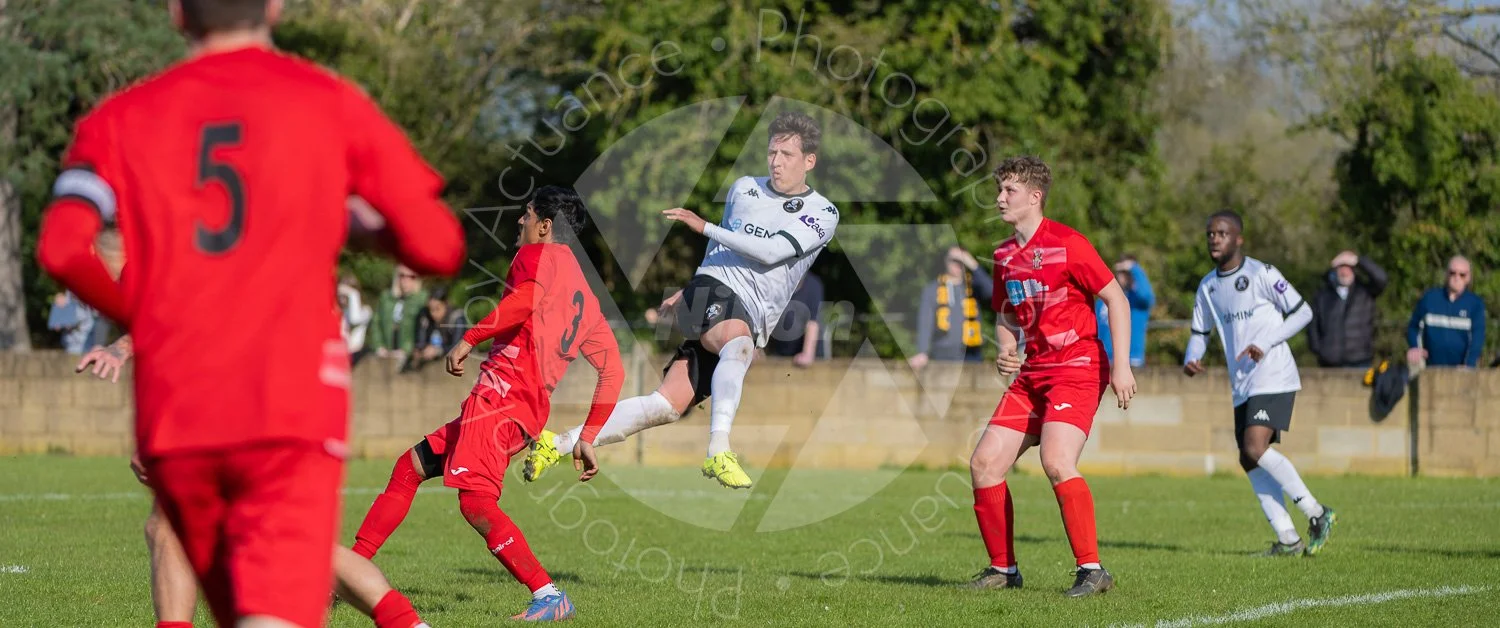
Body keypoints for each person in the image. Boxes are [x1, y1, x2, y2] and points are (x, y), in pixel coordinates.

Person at [35, 0, 466, 624]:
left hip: (180, 411)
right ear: (275, 7)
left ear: (177, 13)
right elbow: (438, 243)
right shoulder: (327, 100)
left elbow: (60, 247)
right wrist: (352, 222)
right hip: (291, 404)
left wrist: (144, 323)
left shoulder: (120, 117)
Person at [522, 111, 840, 490]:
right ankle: (719, 450)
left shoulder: (822, 212)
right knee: (738, 346)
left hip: (746, 312)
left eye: (787, 155)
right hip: (717, 291)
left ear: (809, 161)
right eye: (772, 152)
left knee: (664, 406)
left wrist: (704, 227)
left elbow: (771, 252)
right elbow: (720, 247)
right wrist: (695, 284)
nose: (776, 162)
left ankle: (556, 444)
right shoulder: (744, 188)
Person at [350, 186, 622, 622]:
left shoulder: (537, 254)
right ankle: (352, 574)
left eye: (526, 214)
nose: (520, 221)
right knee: (409, 468)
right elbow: (614, 372)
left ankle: (548, 593)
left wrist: (469, 336)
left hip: (500, 399)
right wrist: (588, 436)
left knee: (475, 502)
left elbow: (525, 300)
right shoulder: (584, 296)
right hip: (524, 408)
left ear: (545, 226)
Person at [965, 156, 1135, 598]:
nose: (1000, 198)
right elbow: (1005, 313)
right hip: (1033, 372)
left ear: (1035, 197)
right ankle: (1003, 570)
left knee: (1057, 461)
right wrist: (1006, 347)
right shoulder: (1004, 255)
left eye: (1009, 191)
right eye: (1000, 190)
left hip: (1077, 366)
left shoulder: (1069, 244)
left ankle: (1093, 571)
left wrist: (1121, 366)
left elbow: (1116, 299)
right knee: (984, 465)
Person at [1182, 211, 1336, 557]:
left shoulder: (1262, 273)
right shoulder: (1207, 287)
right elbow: (1199, 331)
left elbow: (1303, 312)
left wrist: (1265, 343)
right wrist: (1192, 356)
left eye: (1222, 233)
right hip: (1242, 382)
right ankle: (1287, 539)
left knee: (1254, 446)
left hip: (1274, 373)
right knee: (1248, 458)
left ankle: (1316, 512)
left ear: (1239, 239)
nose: (1214, 239)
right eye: (1210, 234)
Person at [910, 247, 993, 369]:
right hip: (942, 354)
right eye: (954, 260)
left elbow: (992, 292)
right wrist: (922, 352)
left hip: (971, 354)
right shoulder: (932, 289)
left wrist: (973, 264)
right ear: (945, 261)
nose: (958, 264)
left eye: (961, 261)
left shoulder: (974, 286)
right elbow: (925, 322)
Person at [1308, 250, 1388, 368]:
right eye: (1341, 267)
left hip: (1360, 359)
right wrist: (1319, 350)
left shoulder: (1364, 292)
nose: (1344, 271)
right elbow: (1313, 325)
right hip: (1330, 362)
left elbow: (1382, 279)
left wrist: (1358, 261)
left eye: (1348, 267)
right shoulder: (1322, 295)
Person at [1407, 256, 1485, 368]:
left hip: (1460, 368)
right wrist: (1415, 347)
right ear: (1446, 274)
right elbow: (1413, 327)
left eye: (1462, 275)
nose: (1456, 277)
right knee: (1412, 359)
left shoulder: (1475, 304)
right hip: (1429, 366)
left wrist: (1469, 364)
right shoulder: (1429, 298)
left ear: (1468, 278)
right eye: (1452, 273)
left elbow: (1477, 338)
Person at [1095, 255, 1154, 368]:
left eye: (1127, 272)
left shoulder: (1137, 300)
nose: (1123, 276)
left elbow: (1146, 295)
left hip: (1132, 360)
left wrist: (1134, 268)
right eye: (1120, 272)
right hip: (1106, 360)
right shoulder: (1102, 301)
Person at [371, 264, 429, 363]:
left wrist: (407, 350)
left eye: (411, 277)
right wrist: (379, 346)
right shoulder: (386, 297)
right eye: (402, 276)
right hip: (387, 353)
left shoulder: (423, 299)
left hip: (411, 357)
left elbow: (424, 328)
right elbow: (376, 323)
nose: (406, 280)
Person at [766, 271, 825, 367]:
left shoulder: (813, 285)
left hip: (810, 355)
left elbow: (812, 324)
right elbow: (763, 319)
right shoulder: (774, 286)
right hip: (781, 353)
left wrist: (807, 354)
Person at [404, 285, 469, 371]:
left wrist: (438, 350)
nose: (433, 313)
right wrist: (420, 350)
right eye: (430, 309)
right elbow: (420, 340)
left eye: (437, 309)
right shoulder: (425, 315)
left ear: (445, 304)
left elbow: (458, 346)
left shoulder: (457, 318)